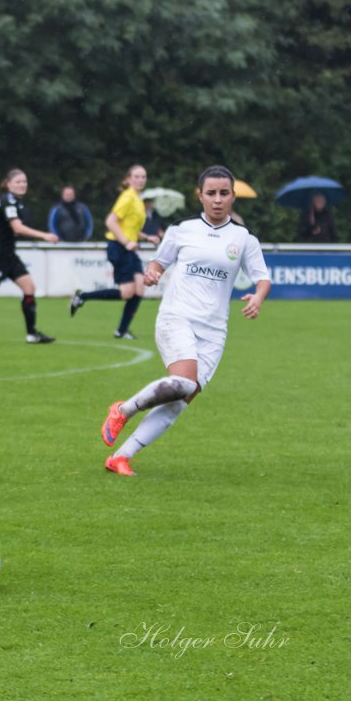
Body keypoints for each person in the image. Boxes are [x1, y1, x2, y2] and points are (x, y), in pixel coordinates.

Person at [99, 165, 272, 476]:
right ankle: (123, 409)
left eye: (224, 193)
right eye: (211, 193)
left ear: (232, 196)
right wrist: (153, 273)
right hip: (177, 316)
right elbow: (158, 262)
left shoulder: (244, 238)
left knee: (179, 402)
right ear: (200, 196)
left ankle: (121, 458)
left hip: (214, 331)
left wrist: (258, 297)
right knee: (183, 382)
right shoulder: (182, 229)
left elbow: (262, 279)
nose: (217, 200)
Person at [0, 168, 59, 345]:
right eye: (18, 182)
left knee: (29, 288)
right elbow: (17, 228)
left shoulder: (16, 202)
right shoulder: (8, 200)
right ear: (8, 184)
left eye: (24, 181)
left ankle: (32, 334)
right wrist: (45, 235)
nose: (22, 185)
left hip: (9, 254)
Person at [69, 164, 150, 339]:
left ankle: (121, 330)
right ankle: (82, 296)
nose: (140, 180)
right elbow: (110, 222)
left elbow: (129, 226)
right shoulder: (128, 197)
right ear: (128, 179)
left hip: (128, 248)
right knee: (127, 293)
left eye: (143, 177)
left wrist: (146, 237)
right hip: (119, 248)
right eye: (136, 176)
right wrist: (127, 242)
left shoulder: (137, 198)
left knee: (140, 290)